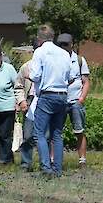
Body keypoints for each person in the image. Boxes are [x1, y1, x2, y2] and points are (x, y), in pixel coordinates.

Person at [28, 25, 77, 178]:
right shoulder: (64, 54)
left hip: (47, 95)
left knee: (39, 133)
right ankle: (57, 168)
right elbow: (71, 78)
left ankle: (46, 167)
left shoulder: (40, 52)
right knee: (57, 133)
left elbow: (35, 75)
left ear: (39, 38)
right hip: (62, 95)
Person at [56, 34, 90, 167]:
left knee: (79, 130)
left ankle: (82, 159)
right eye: (61, 44)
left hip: (75, 100)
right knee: (56, 131)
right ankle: (55, 159)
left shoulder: (79, 60)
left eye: (66, 44)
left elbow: (86, 81)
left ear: (72, 44)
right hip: (60, 100)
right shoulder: (56, 60)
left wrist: (81, 98)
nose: (63, 47)